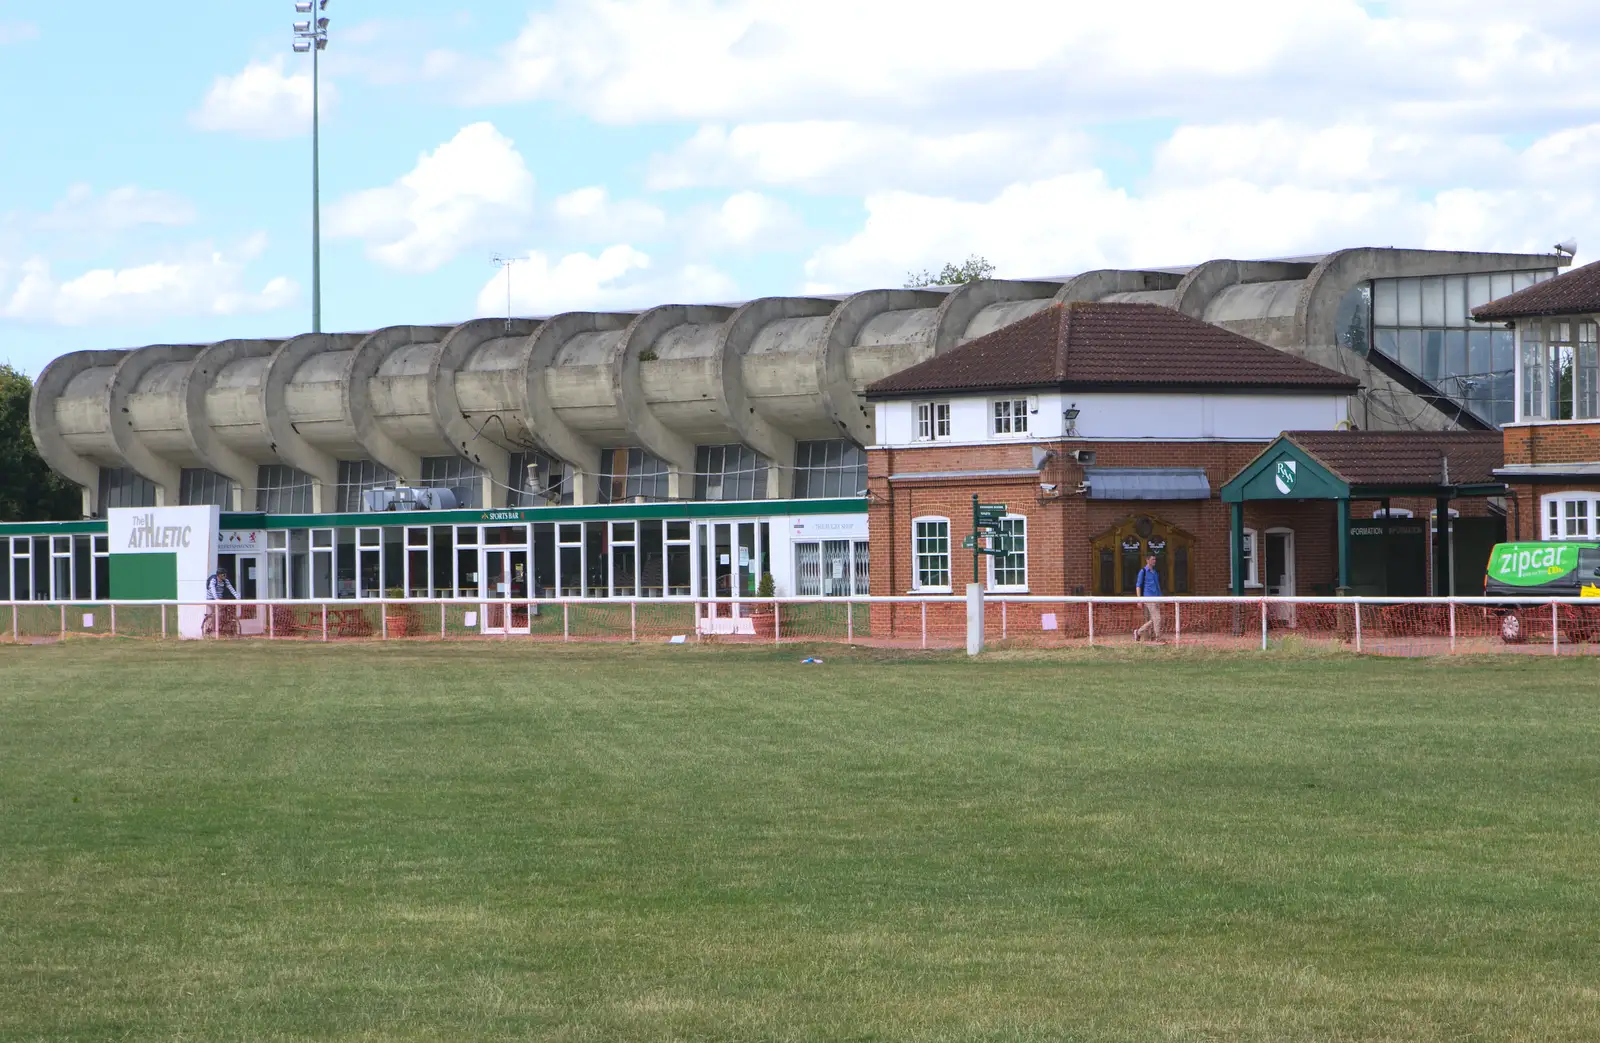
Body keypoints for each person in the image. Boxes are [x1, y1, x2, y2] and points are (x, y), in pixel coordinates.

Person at [1133, 553, 1162, 642]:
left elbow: (1157, 586)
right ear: (1147, 560)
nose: (1154, 561)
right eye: (1153, 559)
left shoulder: (1155, 572)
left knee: (1153, 619)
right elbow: (1138, 585)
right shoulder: (1143, 571)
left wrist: (1161, 598)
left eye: (1155, 559)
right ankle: (1158, 638)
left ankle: (1139, 632)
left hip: (1156, 598)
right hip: (1148, 598)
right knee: (1157, 618)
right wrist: (1139, 600)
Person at [205, 567, 239, 637]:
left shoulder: (225, 581)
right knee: (218, 613)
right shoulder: (213, 580)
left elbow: (231, 589)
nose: (225, 576)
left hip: (220, 598)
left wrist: (237, 597)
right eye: (223, 575)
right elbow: (213, 590)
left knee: (225, 612)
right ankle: (214, 630)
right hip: (211, 599)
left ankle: (224, 628)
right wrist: (216, 598)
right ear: (219, 575)